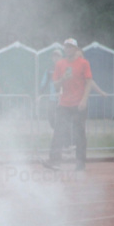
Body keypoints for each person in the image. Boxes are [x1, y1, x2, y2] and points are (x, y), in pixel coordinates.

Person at [44, 38, 93, 171]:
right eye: (66, 47)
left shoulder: (83, 63)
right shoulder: (60, 64)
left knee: (79, 133)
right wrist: (63, 78)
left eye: (71, 47)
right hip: (64, 103)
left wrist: (84, 100)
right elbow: (55, 84)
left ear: (76, 49)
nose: (68, 49)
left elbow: (89, 82)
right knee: (58, 131)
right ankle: (54, 161)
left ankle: (80, 163)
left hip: (79, 104)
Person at [40, 49, 63, 130]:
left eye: (58, 56)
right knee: (51, 116)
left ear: (61, 57)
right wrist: (40, 94)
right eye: (54, 56)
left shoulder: (65, 69)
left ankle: (62, 132)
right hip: (52, 98)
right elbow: (43, 83)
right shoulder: (49, 70)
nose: (56, 58)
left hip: (63, 98)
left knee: (63, 116)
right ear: (52, 58)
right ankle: (56, 130)